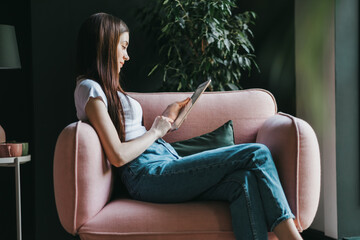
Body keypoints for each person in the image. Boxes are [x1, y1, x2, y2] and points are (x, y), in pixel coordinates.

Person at [74, 12, 303, 240]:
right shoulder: (89, 89)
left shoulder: (108, 91)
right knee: (258, 153)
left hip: (162, 161)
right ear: (104, 46)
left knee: (243, 181)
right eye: (123, 47)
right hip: (147, 173)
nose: (127, 55)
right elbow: (117, 155)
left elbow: (131, 133)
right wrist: (156, 131)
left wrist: (166, 120)